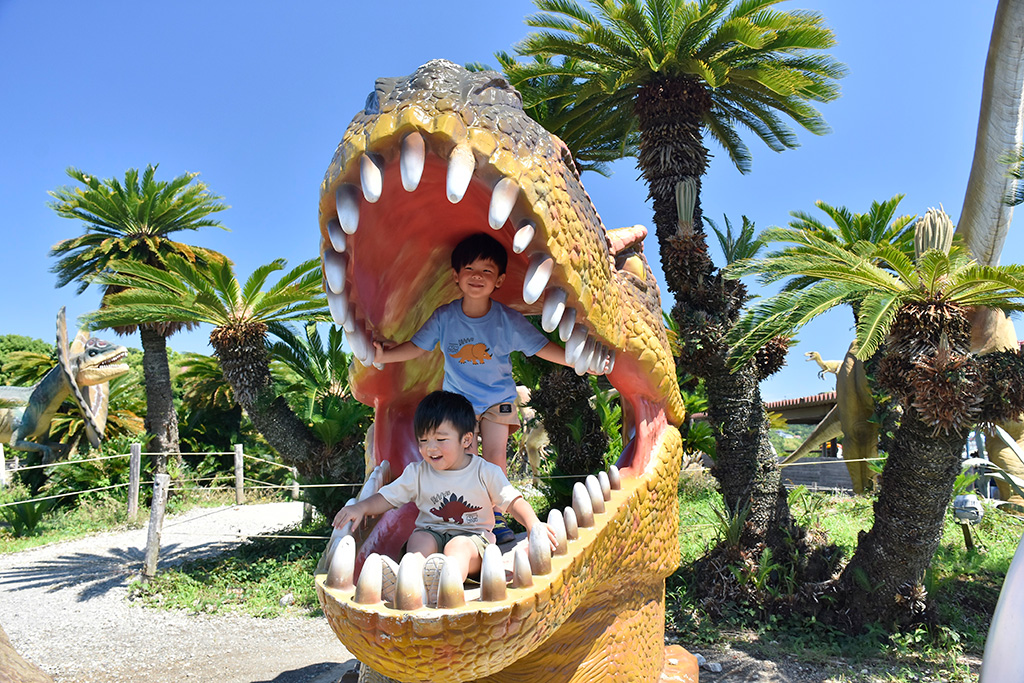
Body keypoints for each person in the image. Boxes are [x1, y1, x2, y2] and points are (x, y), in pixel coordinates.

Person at [372, 232, 596, 542]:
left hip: (497, 401)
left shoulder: (507, 320)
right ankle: (459, 521)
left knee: (494, 460)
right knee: (459, 461)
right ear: (456, 276)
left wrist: (578, 361)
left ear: (500, 280)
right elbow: (416, 347)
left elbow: (540, 347)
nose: (477, 277)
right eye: (470, 270)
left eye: (487, 271)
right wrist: (385, 354)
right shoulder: (445, 317)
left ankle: (497, 519)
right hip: (456, 405)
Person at [332, 391, 555, 604]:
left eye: (440, 439)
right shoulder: (417, 472)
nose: (431, 448)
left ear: (466, 440)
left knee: (457, 547)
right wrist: (360, 508)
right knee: (419, 541)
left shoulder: (485, 472)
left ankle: (445, 589)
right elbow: (387, 498)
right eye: (423, 440)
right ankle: (409, 581)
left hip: (473, 540)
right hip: (432, 534)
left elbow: (513, 501)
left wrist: (533, 525)